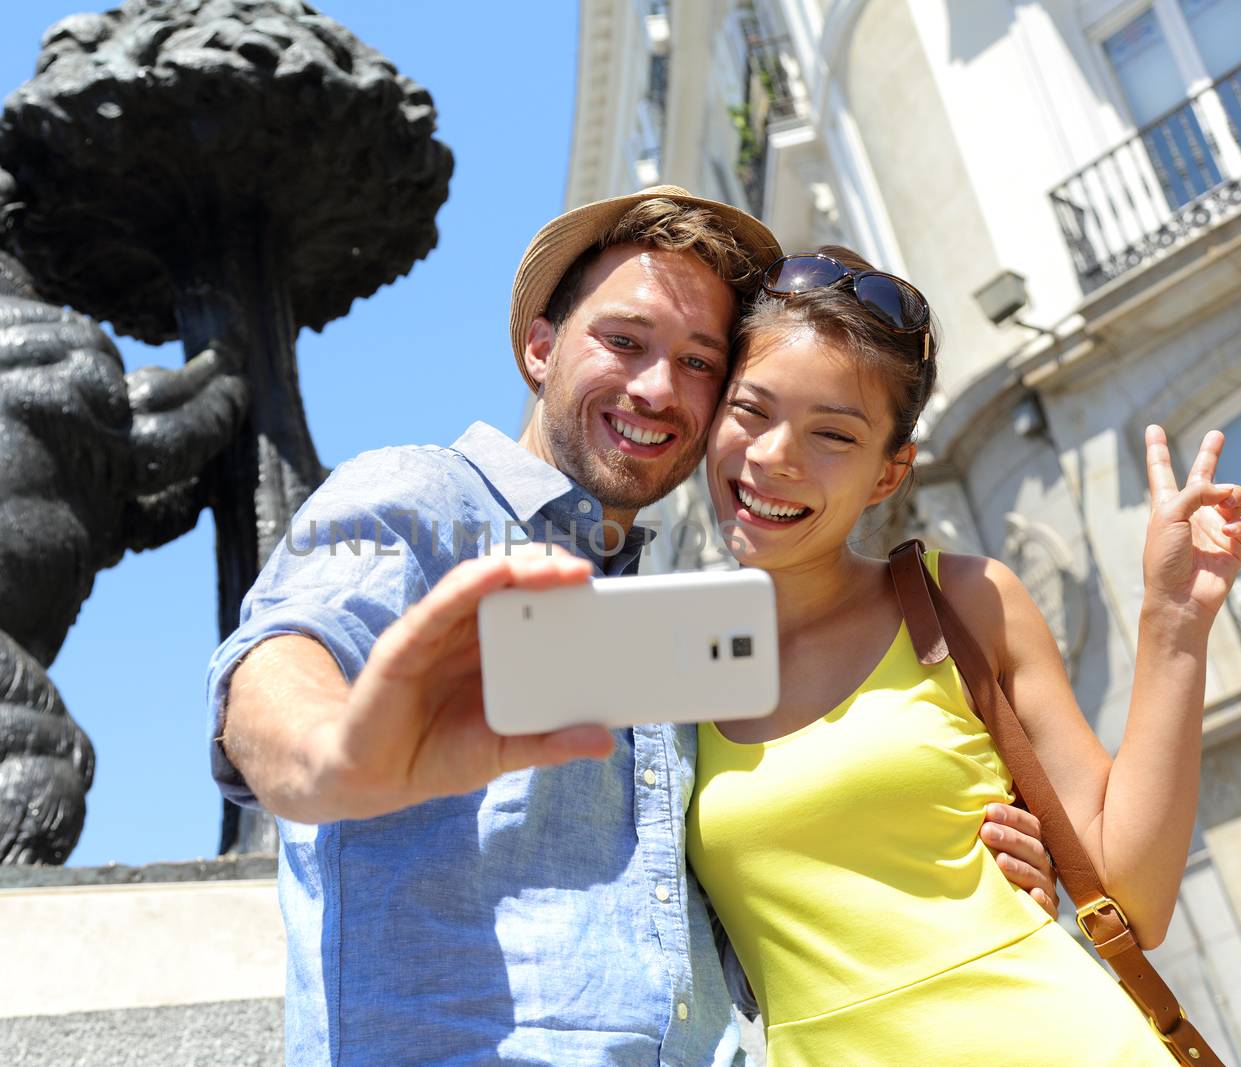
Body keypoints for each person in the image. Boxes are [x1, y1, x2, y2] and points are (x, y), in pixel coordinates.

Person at [207, 191, 1056, 1065]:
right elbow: (277, 664)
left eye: (698, 362)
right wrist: (336, 757)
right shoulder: (423, 497)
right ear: (541, 348)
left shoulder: (681, 622)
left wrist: (947, 858)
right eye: (624, 341)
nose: (658, 388)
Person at [684, 247, 1241, 1065]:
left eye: (833, 434)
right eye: (752, 411)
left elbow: (1135, 895)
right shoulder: (662, 659)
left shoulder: (967, 599)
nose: (776, 455)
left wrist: (1173, 622)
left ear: (889, 475)